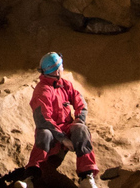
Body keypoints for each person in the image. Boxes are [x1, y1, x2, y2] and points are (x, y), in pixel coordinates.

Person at [21, 52, 101, 188]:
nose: (63, 69)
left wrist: (79, 120)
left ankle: (86, 176)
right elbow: (43, 119)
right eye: (61, 66)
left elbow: (80, 102)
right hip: (53, 131)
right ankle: (31, 178)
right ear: (57, 70)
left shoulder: (64, 85)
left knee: (80, 129)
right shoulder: (42, 91)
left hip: (66, 127)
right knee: (44, 133)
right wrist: (62, 138)